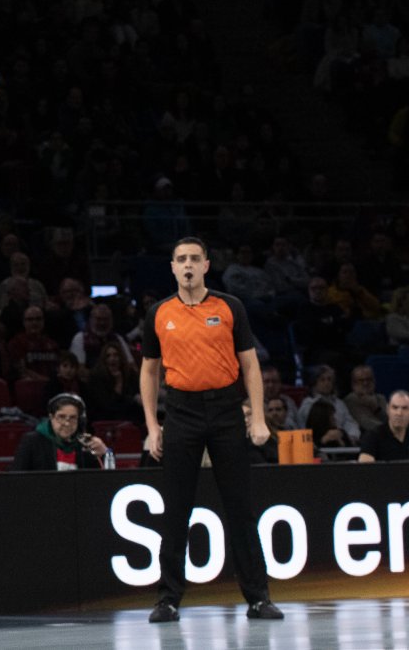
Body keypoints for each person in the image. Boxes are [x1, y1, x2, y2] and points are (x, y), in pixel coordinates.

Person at [141, 237, 283, 623]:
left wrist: (257, 417)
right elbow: (149, 370)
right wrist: (153, 426)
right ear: (172, 267)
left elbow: (250, 365)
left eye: (194, 259)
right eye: (181, 259)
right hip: (182, 412)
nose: (188, 265)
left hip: (225, 411)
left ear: (207, 265)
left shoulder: (229, 306)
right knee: (176, 511)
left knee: (240, 508)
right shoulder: (159, 313)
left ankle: (258, 597)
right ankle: (167, 599)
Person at [12, 394, 108, 471]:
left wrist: (104, 453)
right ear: (51, 417)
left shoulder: (85, 444)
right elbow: (16, 477)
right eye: (61, 417)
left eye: (72, 418)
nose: (67, 423)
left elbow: (102, 478)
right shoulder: (32, 441)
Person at [296, 364, 361, 443]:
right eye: (322, 380)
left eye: (329, 379)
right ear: (315, 383)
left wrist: (351, 437)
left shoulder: (339, 404)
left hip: (341, 443)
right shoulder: (308, 404)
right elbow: (303, 429)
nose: (327, 383)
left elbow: (349, 423)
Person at [358, 390, 409, 462]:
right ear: (387, 409)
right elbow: (365, 470)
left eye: (404, 408)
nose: (399, 413)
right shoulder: (373, 436)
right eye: (395, 407)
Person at [343, 364, 388, 435]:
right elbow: (365, 423)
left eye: (368, 379)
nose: (365, 383)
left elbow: (390, 420)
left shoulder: (380, 398)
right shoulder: (351, 400)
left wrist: (376, 408)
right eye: (361, 380)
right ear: (354, 383)